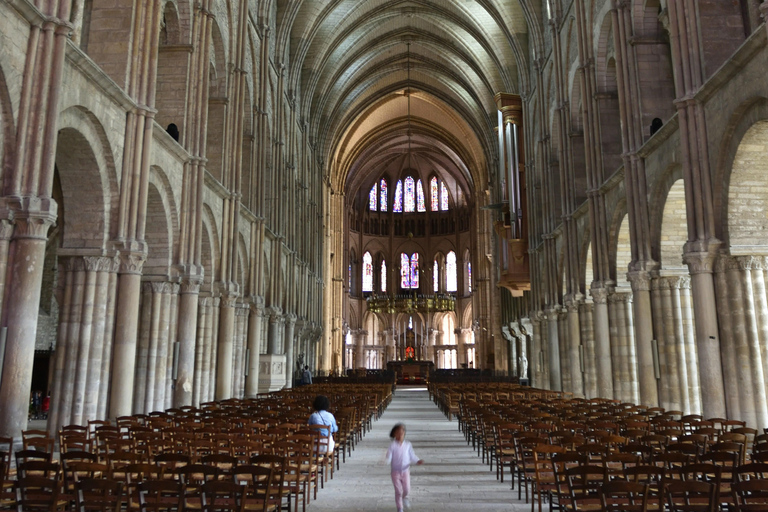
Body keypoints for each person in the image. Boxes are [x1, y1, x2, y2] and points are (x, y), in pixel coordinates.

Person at [386, 423, 423, 512]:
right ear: (394, 434)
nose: (400, 433)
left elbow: (412, 455)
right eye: (398, 431)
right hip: (395, 472)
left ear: (404, 433)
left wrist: (417, 460)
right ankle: (400, 508)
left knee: (406, 489)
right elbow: (389, 456)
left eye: (402, 431)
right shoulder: (392, 445)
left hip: (405, 471)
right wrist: (386, 460)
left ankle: (405, 498)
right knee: (398, 491)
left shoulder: (408, 444)